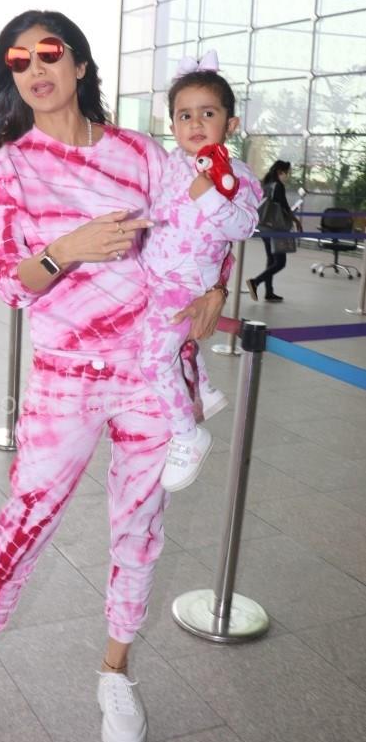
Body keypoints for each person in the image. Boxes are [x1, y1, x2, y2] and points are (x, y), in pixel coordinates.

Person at [0, 11, 228, 742]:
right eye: (18, 59)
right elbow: (6, 282)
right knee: (25, 519)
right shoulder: (7, 169)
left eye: (49, 52)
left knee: (139, 525)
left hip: (149, 373)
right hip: (65, 377)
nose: (35, 68)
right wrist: (68, 249)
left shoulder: (141, 155)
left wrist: (217, 289)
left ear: (80, 64)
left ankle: (115, 672)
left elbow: (206, 222)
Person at [139, 52, 261, 492]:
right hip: (156, 273)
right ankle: (204, 389)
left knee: (153, 360)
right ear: (172, 125)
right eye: (184, 115)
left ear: (231, 123)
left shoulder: (236, 175)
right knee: (171, 345)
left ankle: (188, 435)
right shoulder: (172, 162)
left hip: (188, 281)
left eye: (207, 113)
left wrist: (208, 196)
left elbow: (244, 227)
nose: (195, 123)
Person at [246, 160, 302, 303]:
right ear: (280, 172)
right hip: (276, 228)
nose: (287, 175)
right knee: (280, 262)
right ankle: (255, 282)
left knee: (271, 260)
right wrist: (296, 221)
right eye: (286, 172)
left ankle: (269, 292)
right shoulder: (278, 186)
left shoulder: (266, 184)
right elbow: (284, 207)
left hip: (264, 226)